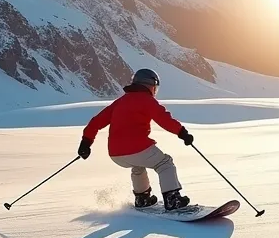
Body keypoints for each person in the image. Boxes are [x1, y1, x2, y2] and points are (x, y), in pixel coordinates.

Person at [77, 68, 195, 210]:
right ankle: (172, 199)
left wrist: (86, 143)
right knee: (165, 163)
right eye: (155, 87)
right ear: (150, 84)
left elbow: (96, 122)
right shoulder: (147, 100)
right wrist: (182, 133)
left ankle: (142, 198)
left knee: (138, 165)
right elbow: (164, 118)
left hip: (116, 154)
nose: (155, 90)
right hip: (137, 148)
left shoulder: (120, 102)